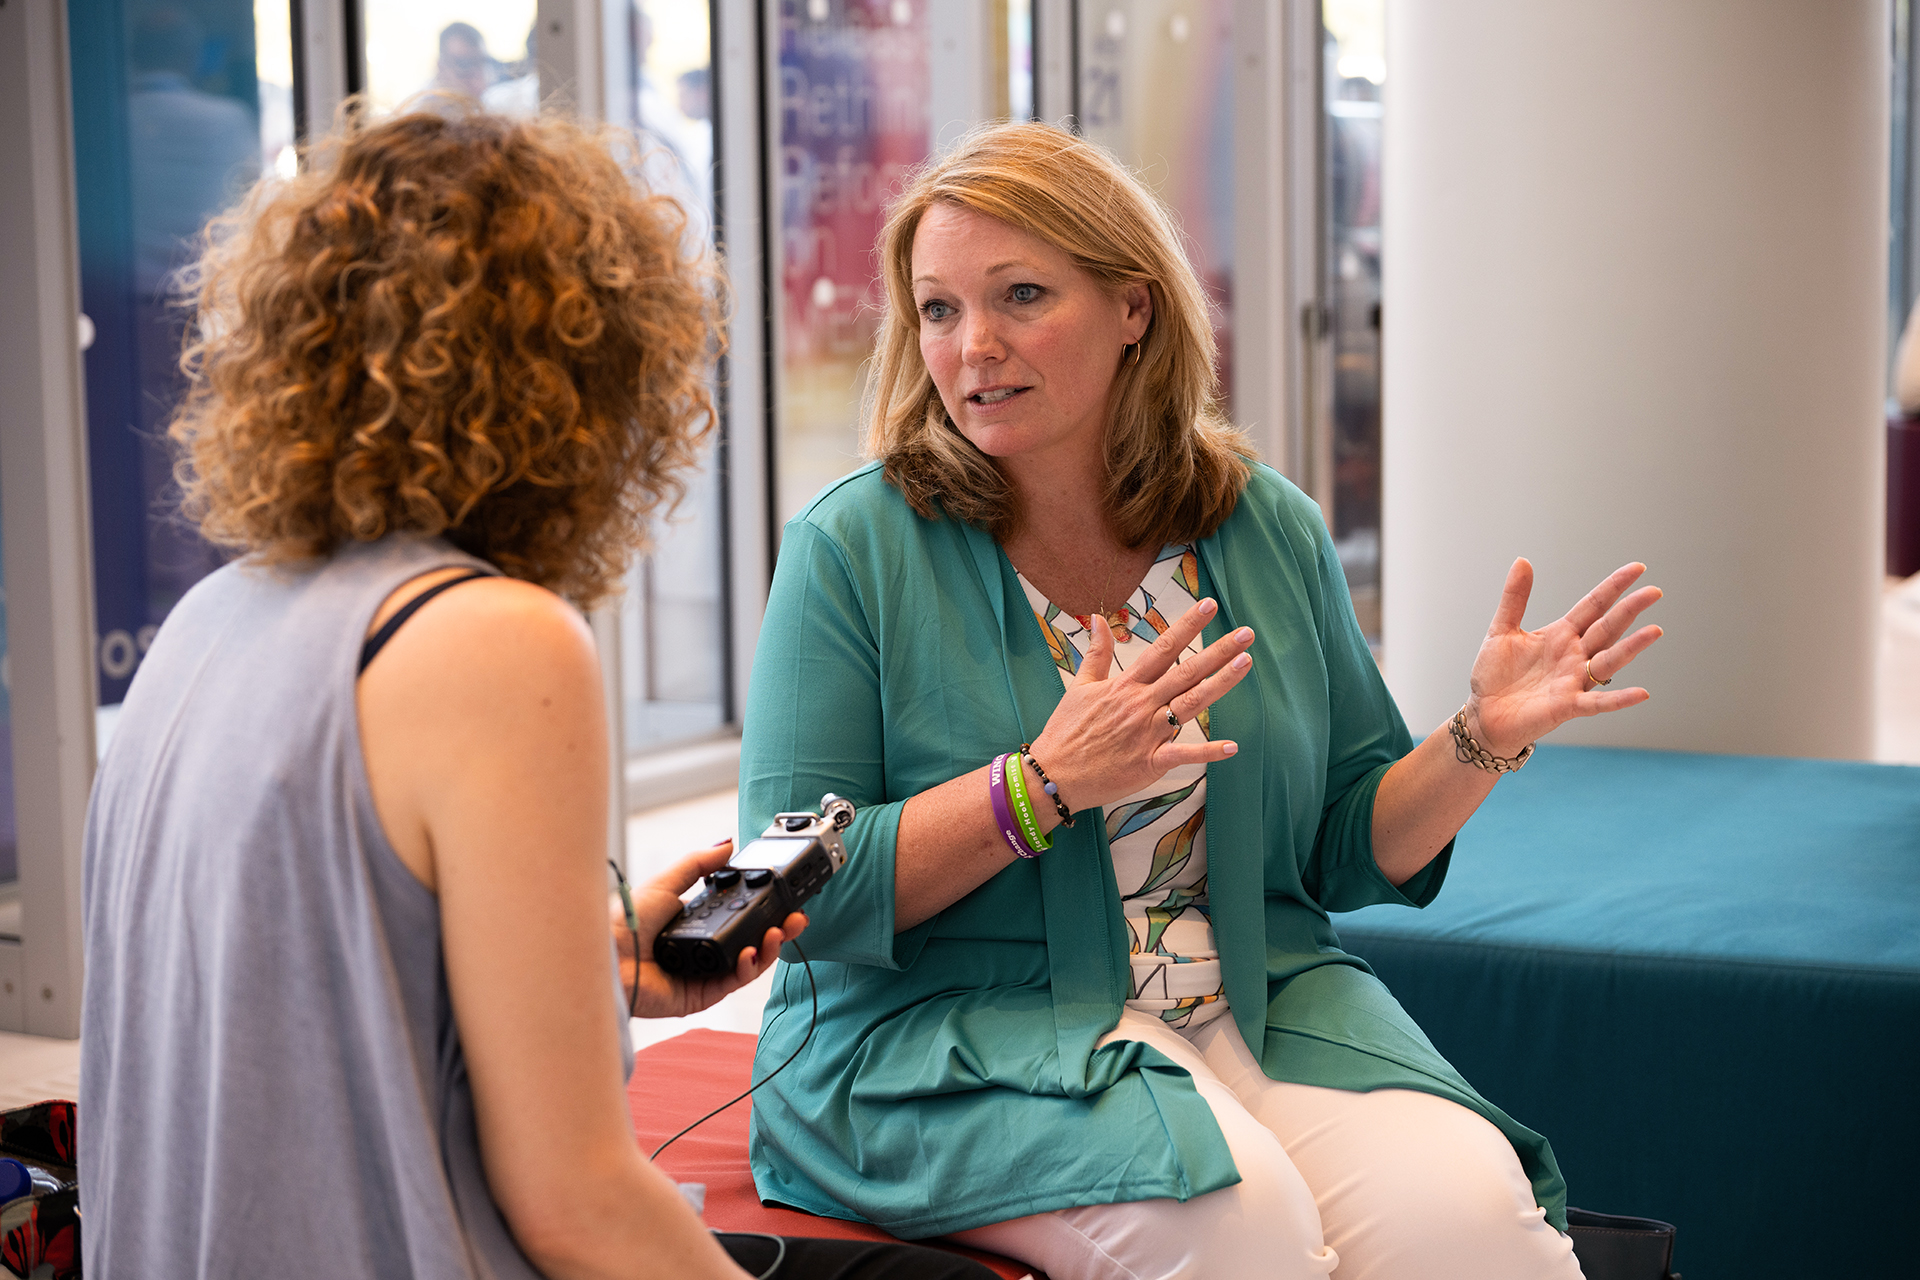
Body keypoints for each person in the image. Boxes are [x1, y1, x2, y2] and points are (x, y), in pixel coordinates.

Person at [80, 109, 997, 1280]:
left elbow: (310, 984)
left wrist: (600, 965)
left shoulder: (215, 618)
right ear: (593, 373)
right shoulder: (495, 642)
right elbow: (574, 1203)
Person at [739, 122, 1664, 1280]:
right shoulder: (853, 547)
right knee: (1247, 1233)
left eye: (1022, 295)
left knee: (1481, 1235)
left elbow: (1340, 846)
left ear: (1135, 308)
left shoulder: (1262, 523)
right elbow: (793, 896)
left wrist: (1481, 738)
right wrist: (1038, 789)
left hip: (1259, 998)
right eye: (938, 309)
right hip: (955, 1032)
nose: (973, 345)